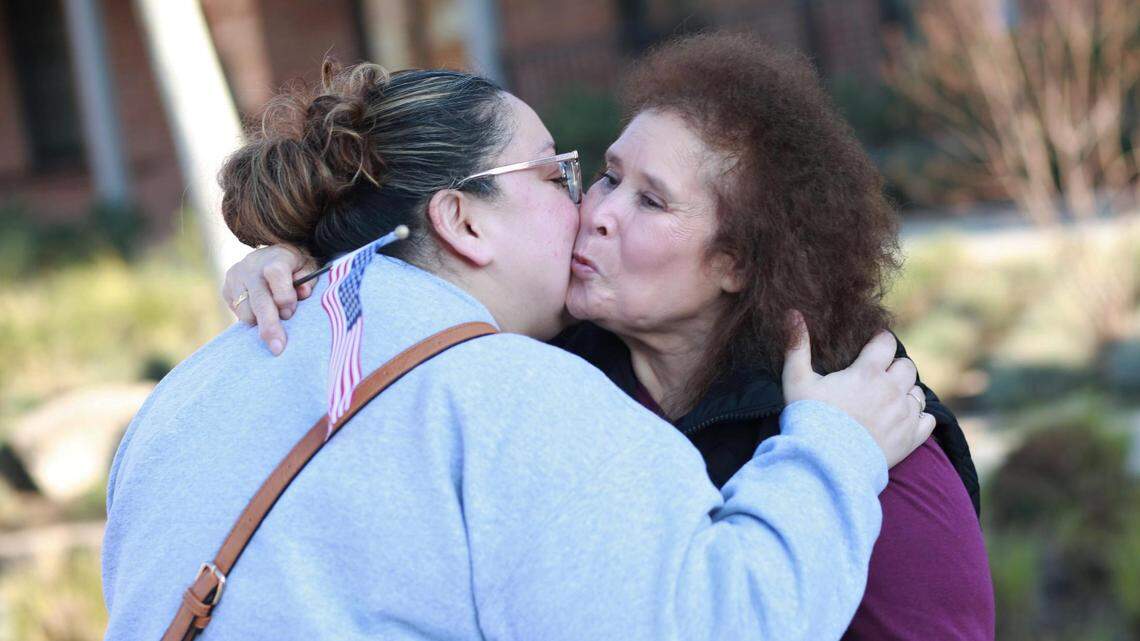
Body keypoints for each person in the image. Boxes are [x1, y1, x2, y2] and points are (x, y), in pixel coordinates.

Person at [102, 60, 932, 640]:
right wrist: (835, 448)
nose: (589, 209)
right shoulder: (516, 398)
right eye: (558, 176)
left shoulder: (197, 378)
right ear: (462, 220)